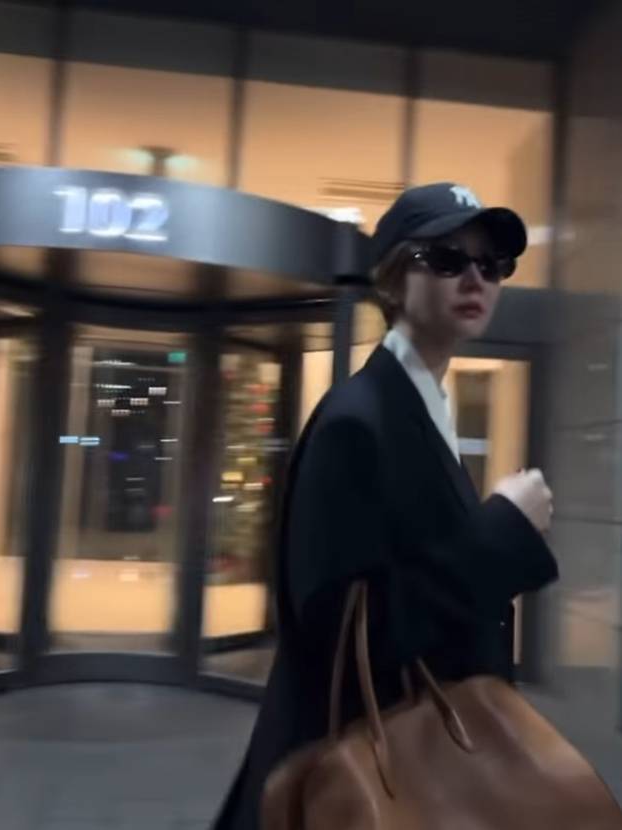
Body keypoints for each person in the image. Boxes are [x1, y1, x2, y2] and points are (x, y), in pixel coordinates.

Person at [212, 182, 558, 830]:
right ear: (395, 280)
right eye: (447, 259)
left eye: (492, 265)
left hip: (412, 766)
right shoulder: (357, 419)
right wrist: (503, 533)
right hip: (351, 784)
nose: (475, 278)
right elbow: (345, 635)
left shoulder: (422, 405)